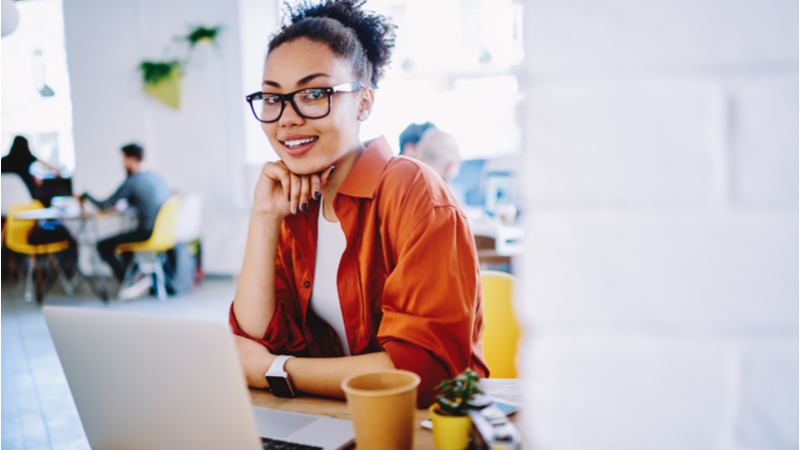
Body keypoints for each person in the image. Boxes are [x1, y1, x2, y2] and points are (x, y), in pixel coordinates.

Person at [232, 0, 488, 408]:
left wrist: (278, 371)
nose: (286, 118)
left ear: (364, 103)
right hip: (331, 419)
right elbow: (255, 340)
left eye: (314, 93)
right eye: (271, 97)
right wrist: (263, 218)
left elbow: (423, 371)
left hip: (417, 426)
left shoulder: (412, 189)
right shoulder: (294, 204)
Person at [80, 143, 171, 289]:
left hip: (147, 233)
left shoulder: (133, 181)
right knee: (124, 242)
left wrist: (86, 195)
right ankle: (135, 276)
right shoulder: (156, 178)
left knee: (103, 245)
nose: (123, 165)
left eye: (124, 160)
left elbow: (105, 205)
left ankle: (129, 282)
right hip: (164, 234)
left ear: (131, 159)